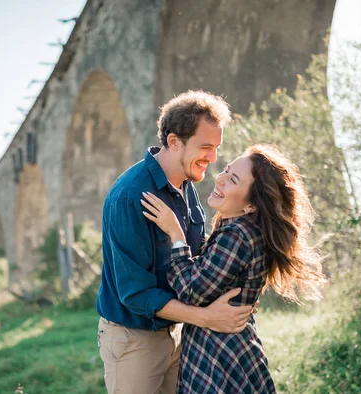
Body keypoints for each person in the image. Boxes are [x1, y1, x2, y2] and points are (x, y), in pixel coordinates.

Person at [96, 90, 256, 393]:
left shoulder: (185, 182)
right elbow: (136, 293)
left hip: (180, 331)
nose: (213, 158)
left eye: (216, 147)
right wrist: (206, 318)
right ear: (173, 142)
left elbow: (194, 256)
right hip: (134, 340)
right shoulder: (130, 196)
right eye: (205, 147)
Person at [141, 144, 328, 393]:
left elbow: (190, 291)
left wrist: (175, 234)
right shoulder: (240, 229)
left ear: (251, 205)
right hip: (228, 349)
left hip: (218, 355)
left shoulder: (238, 234)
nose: (220, 178)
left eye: (233, 179)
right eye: (227, 170)